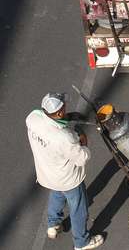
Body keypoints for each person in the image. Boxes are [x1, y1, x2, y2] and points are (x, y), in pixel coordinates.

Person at [26, 93, 104, 250]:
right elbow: (81, 158)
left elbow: (46, 119)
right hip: (68, 179)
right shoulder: (64, 137)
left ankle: (53, 224)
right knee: (79, 209)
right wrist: (83, 141)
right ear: (59, 113)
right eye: (63, 108)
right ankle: (81, 242)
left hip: (48, 173)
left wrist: (66, 117)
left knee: (57, 194)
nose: (66, 107)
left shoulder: (32, 118)